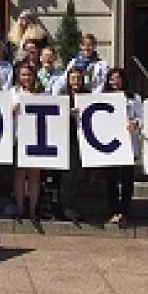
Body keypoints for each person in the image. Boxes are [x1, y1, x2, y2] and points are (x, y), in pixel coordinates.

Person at [103, 68, 142, 226]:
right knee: (111, 179)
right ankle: (113, 210)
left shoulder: (134, 98)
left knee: (127, 179)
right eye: (112, 79)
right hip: (109, 144)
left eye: (118, 78)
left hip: (128, 143)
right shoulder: (102, 97)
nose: (115, 81)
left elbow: (141, 116)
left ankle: (124, 211)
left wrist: (136, 123)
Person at [12, 63, 44, 220]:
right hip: (19, 136)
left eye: (29, 75)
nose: (26, 78)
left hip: (37, 138)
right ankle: (19, 208)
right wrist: (12, 110)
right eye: (23, 74)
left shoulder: (42, 94)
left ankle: (32, 210)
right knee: (20, 175)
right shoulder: (13, 92)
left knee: (34, 176)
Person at [60, 67, 88, 222]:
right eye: (73, 78)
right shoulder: (63, 96)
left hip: (84, 140)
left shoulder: (87, 95)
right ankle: (66, 206)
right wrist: (67, 112)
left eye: (78, 78)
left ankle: (72, 204)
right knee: (68, 175)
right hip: (68, 139)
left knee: (79, 174)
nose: (75, 81)